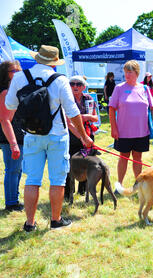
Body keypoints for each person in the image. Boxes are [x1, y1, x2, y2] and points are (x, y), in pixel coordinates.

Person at [5, 45, 93, 232]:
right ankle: (55, 220)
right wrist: (84, 136)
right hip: (57, 136)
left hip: (31, 134)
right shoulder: (60, 80)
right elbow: (73, 111)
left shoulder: (21, 77)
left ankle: (30, 223)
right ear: (54, 62)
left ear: (37, 58)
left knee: (32, 180)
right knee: (57, 180)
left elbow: (9, 103)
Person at [109, 60, 153, 190]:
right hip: (123, 132)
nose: (127, 75)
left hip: (141, 132)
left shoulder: (144, 89)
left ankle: (138, 185)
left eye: (130, 72)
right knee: (123, 157)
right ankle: (119, 185)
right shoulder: (119, 88)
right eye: (125, 72)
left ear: (137, 73)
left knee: (138, 158)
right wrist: (113, 128)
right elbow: (111, 108)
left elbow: (152, 109)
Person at [64, 75, 99, 199]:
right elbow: (68, 123)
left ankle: (82, 190)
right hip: (72, 136)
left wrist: (85, 117)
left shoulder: (88, 98)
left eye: (78, 84)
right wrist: (81, 137)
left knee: (87, 163)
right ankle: (68, 193)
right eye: (72, 84)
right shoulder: (67, 99)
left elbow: (95, 118)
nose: (75, 86)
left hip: (88, 135)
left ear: (84, 87)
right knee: (70, 165)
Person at [0, 60, 24, 211]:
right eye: (13, 71)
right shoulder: (5, 92)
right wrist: (13, 143)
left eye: (18, 70)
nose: (17, 74)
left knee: (17, 169)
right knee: (13, 169)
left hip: (18, 135)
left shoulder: (14, 90)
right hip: (10, 137)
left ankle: (14, 198)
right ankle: (11, 202)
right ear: (5, 74)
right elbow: (4, 119)